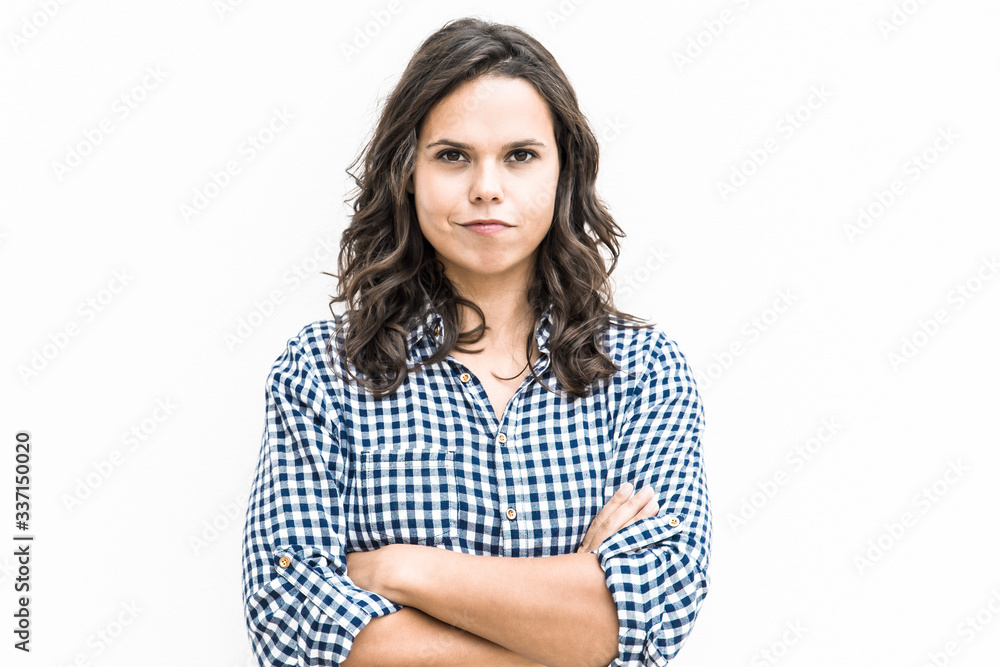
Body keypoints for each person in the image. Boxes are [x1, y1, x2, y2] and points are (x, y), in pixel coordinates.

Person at [241, 16, 711, 666]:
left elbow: (651, 610)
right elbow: (295, 625)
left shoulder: (641, 371)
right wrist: (565, 623)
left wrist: (403, 569)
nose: (486, 186)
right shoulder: (323, 370)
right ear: (407, 172)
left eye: (519, 155)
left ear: (563, 171)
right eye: (453, 155)